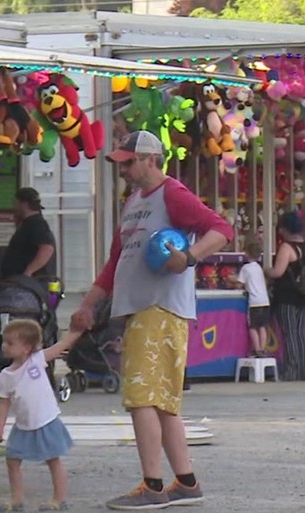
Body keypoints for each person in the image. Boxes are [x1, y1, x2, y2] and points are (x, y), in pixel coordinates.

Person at [70, 130, 232, 510]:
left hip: (158, 307)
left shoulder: (171, 193)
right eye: (121, 162)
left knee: (141, 398)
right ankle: (186, 482)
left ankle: (153, 486)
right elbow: (116, 261)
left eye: (129, 162)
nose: (123, 169)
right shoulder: (133, 203)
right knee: (161, 403)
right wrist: (90, 303)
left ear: (150, 159)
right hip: (142, 308)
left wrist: (190, 256)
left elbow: (221, 229)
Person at [0, 319, 82, 512]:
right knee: (12, 460)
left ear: (26, 348)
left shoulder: (36, 360)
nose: (4, 346)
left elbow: (60, 347)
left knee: (53, 460)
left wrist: (75, 332)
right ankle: (16, 499)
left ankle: (59, 499)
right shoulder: (4, 376)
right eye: (4, 341)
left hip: (46, 421)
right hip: (23, 425)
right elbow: (3, 402)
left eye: (10, 343)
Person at [267, 211, 305, 381]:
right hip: (304, 294)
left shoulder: (287, 247)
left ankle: (291, 370)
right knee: (300, 332)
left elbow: (278, 272)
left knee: (289, 333)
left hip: (287, 295)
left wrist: (266, 270)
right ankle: (302, 370)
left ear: (285, 228)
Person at [0, 187, 57, 281]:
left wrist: (28, 272)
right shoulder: (29, 225)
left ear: (22, 203)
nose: (14, 207)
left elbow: (47, 249)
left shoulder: (36, 224)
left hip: (31, 286)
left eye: (15, 203)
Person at [235, 238, 270, 358]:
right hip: (265, 301)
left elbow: (239, 284)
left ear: (246, 253)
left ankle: (257, 349)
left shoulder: (245, 268)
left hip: (254, 302)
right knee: (262, 326)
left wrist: (230, 280)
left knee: (253, 327)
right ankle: (263, 348)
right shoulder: (259, 268)